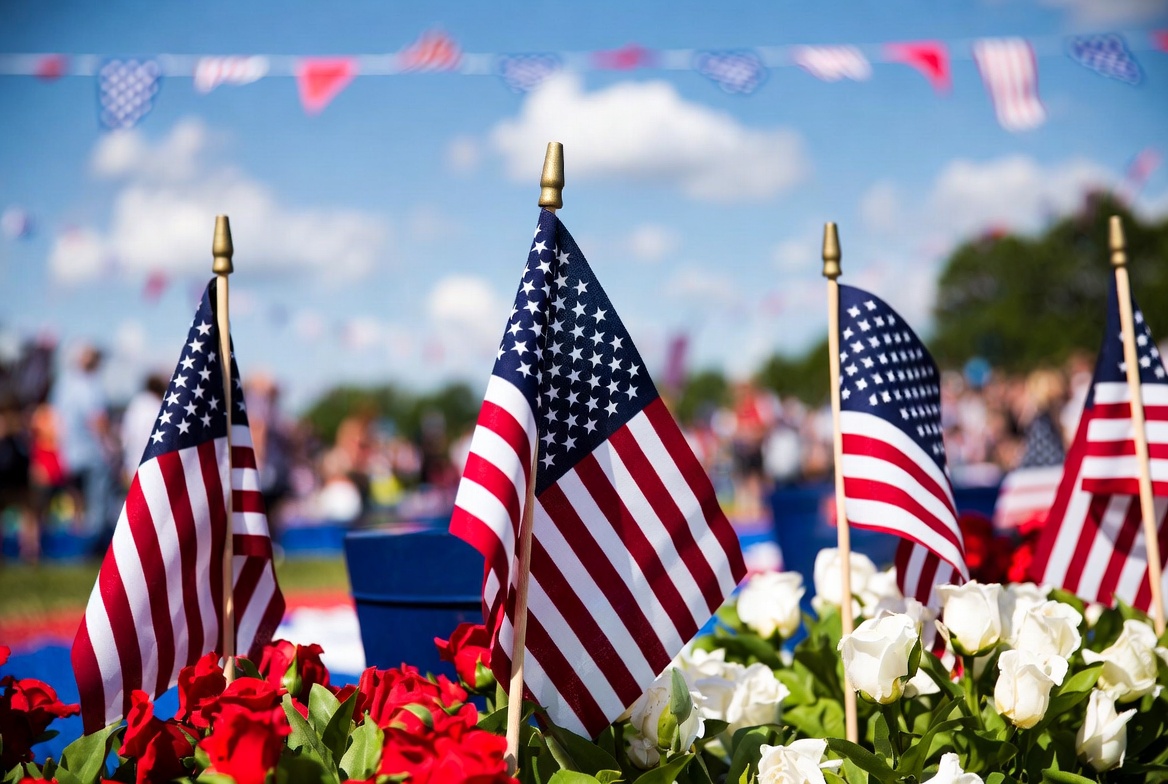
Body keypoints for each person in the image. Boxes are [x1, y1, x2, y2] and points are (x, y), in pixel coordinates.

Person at [51, 344, 115, 544]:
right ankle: (92, 547)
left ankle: (76, 546)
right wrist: (113, 445)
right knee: (97, 505)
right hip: (93, 454)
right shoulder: (91, 385)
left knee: (76, 505)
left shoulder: (64, 384)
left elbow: (55, 419)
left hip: (69, 453)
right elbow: (97, 419)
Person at [119, 372, 167, 485]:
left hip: (132, 465)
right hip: (153, 467)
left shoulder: (135, 405)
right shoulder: (156, 409)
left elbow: (124, 438)